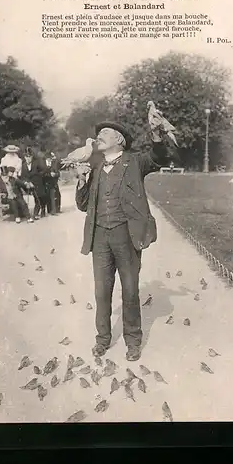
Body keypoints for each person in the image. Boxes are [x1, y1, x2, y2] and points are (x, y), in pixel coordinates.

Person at [75, 121, 169, 362]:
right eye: (98, 134)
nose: (99, 137)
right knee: (101, 292)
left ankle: (133, 341)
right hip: (100, 238)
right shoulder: (94, 165)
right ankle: (102, 340)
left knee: (129, 291)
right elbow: (83, 205)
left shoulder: (135, 162)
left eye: (104, 133)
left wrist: (157, 135)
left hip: (126, 236)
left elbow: (159, 157)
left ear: (119, 140)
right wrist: (82, 180)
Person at [20, 147, 47, 219]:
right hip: (30, 185)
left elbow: (44, 170)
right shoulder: (23, 166)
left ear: (32, 157)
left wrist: (38, 176)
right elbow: (23, 177)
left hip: (39, 183)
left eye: (29, 156)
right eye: (26, 157)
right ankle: (35, 214)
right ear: (24, 157)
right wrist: (27, 183)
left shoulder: (37, 163)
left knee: (41, 197)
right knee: (37, 198)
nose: (28, 158)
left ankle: (42, 210)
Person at [44, 152, 60, 216]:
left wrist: (55, 174)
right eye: (48, 158)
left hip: (53, 183)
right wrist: (49, 175)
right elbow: (41, 174)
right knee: (47, 197)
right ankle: (48, 210)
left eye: (50, 158)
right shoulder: (43, 165)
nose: (49, 160)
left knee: (53, 197)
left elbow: (58, 173)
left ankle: (53, 211)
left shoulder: (54, 165)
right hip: (45, 183)